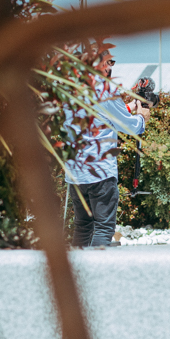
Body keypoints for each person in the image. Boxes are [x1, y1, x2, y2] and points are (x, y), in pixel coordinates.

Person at [65, 56, 148, 248]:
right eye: (108, 63)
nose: (110, 67)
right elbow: (130, 127)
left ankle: (78, 266)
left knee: (82, 226)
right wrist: (142, 117)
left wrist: (127, 107)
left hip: (76, 173)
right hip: (100, 172)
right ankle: (96, 266)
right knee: (103, 228)